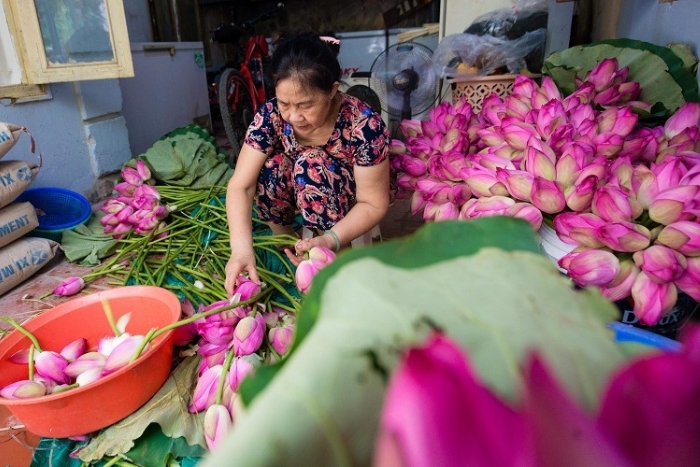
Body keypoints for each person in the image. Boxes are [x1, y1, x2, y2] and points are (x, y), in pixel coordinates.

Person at [224, 33, 392, 295]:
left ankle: (335, 263)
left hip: (346, 202)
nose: (293, 116)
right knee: (269, 168)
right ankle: (288, 247)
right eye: (284, 103)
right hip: (297, 189)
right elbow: (241, 186)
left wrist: (330, 239)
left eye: (305, 105)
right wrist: (240, 250)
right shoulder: (270, 115)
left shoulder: (364, 125)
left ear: (333, 91)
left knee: (312, 164)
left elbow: (373, 202)